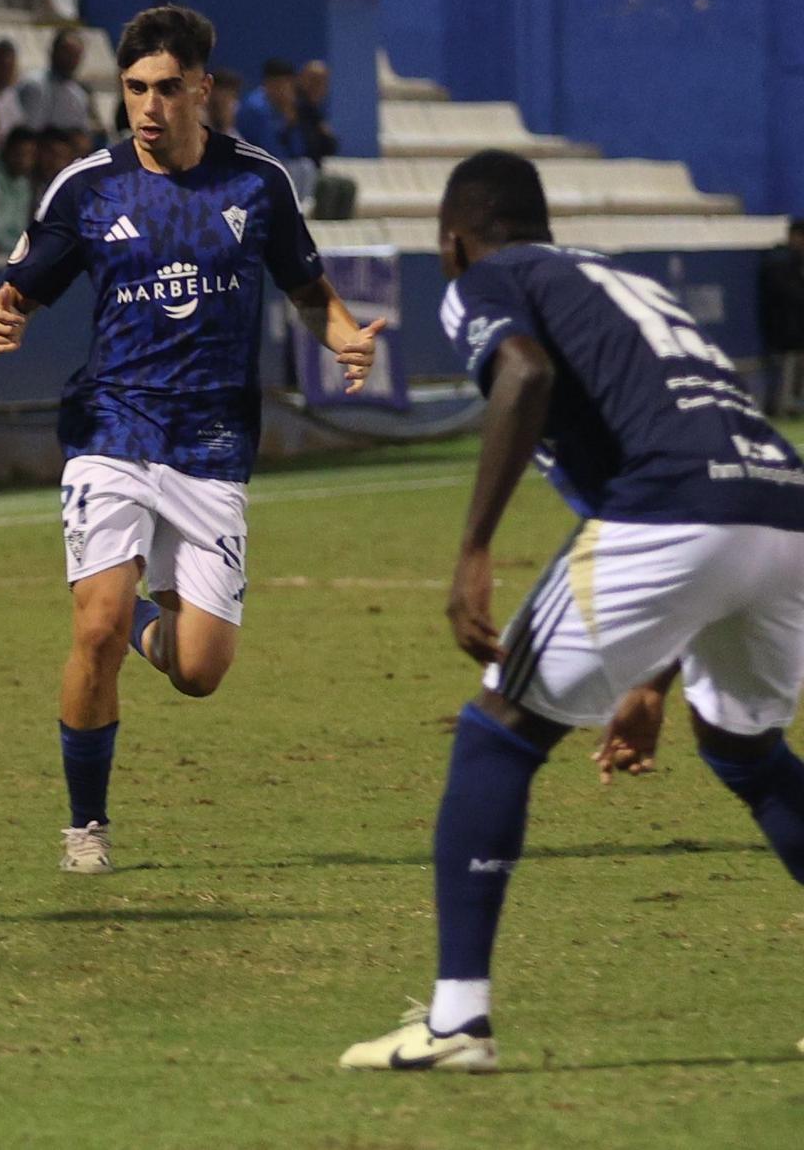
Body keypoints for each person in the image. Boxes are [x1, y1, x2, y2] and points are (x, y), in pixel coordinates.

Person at [340, 150, 804, 1072]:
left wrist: (474, 550)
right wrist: (653, 676)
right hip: (781, 505)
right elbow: (684, 454)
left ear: (452, 245)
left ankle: (457, 1022)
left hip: (678, 505)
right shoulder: (621, 285)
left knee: (496, 731)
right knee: (745, 751)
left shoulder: (490, 279)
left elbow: (521, 373)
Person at [0, 5, 383, 875]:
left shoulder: (258, 183)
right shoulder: (86, 186)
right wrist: (1, 313)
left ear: (203, 87)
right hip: (112, 428)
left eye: (166, 88)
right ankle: (87, 825)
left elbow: (308, 289)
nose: (149, 107)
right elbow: (21, 287)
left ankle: (139, 621)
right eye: (133, 90)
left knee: (199, 670)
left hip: (212, 443)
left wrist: (344, 336)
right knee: (93, 626)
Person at [757, 218, 804, 413]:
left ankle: (791, 405)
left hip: (795, 331)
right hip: (784, 332)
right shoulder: (778, 263)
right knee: (785, 372)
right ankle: (780, 407)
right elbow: (789, 296)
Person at [17, 29, 97, 137]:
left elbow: (80, 134)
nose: (70, 59)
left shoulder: (79, 96)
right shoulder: (33, 85)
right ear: (53, 51)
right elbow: (28, 132)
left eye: (75, 55)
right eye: (66, 52)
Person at [235, 59, 307, 160]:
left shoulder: (285, 107)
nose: (287, 90)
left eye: (290, 85)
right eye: (281, 84)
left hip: (271, 164)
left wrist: (291, 124)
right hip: (248, 164)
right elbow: (270, 152)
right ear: (268, 84)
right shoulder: (255, 108)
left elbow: (299, 151)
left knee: (306, 165)